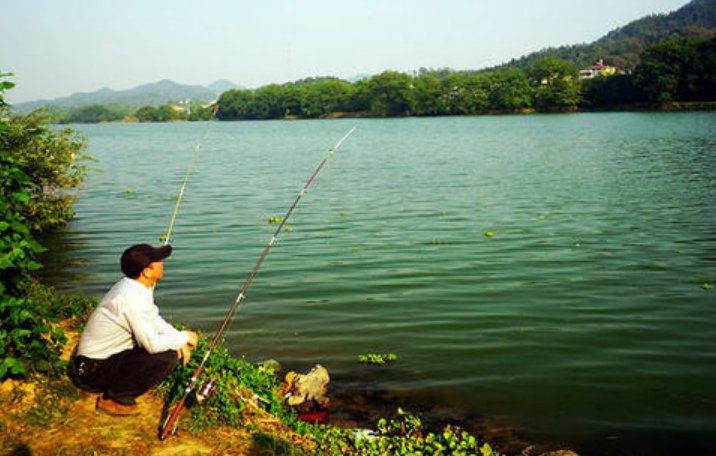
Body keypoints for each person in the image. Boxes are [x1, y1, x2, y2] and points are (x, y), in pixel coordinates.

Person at [69, 243, 198, 416]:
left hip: (96, 362)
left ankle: (118, 389)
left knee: (166, 347)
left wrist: (179, 337)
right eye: (158, 261)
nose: (162, 263)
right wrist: (182, 339)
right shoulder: (132, 298)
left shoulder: (132, 287)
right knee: (166, 357)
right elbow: (151, 345)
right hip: (90, 371)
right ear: (147, 272)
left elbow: (154, 320)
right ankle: (115, 398)